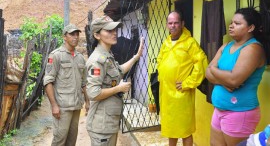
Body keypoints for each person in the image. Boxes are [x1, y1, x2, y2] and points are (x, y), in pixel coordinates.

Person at [206, 8, 268, 146]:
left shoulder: (253, 49)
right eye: (231, 22)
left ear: (250, 27)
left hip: (239, 112)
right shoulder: (226, 46)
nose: (231, 25)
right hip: (219, 109)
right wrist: (225, 80)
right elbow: (207, 73)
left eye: (237, 23)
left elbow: (234, 79)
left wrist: (214, 69)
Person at [86, 15, 144, 146]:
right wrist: (119, 88)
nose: (114, 33)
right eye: (109, 31)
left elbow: (119, 70)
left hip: (108, 122)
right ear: (97, 35)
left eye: (115, 30)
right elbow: (93, 93)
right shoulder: (97, 60)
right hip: (101, 125)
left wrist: (136, 57)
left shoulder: (107, 55)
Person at [157, 11, 208, 146]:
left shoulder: (190, 43)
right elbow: (160, 60)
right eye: (170, 23)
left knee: (185, 130)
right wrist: (162, 74)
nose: (172, 26)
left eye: (176, 23)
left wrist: (188, 82)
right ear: (167, 25)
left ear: (182, 24)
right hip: (167, 94)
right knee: (171, 129)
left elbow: (201, 62)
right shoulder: (166, 42)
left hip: (182, 93)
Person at [43, 24, 89, 146]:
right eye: (72, 34)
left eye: (77, 34)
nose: (76, 37)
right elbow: (48, 81)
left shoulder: (80, 58)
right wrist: (54, 105)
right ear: (64, 37)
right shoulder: (56, 55)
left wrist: (88, 102)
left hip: (76, 106)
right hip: (62, 106)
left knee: (71, 140)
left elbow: (84, 83)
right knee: (59, 140)